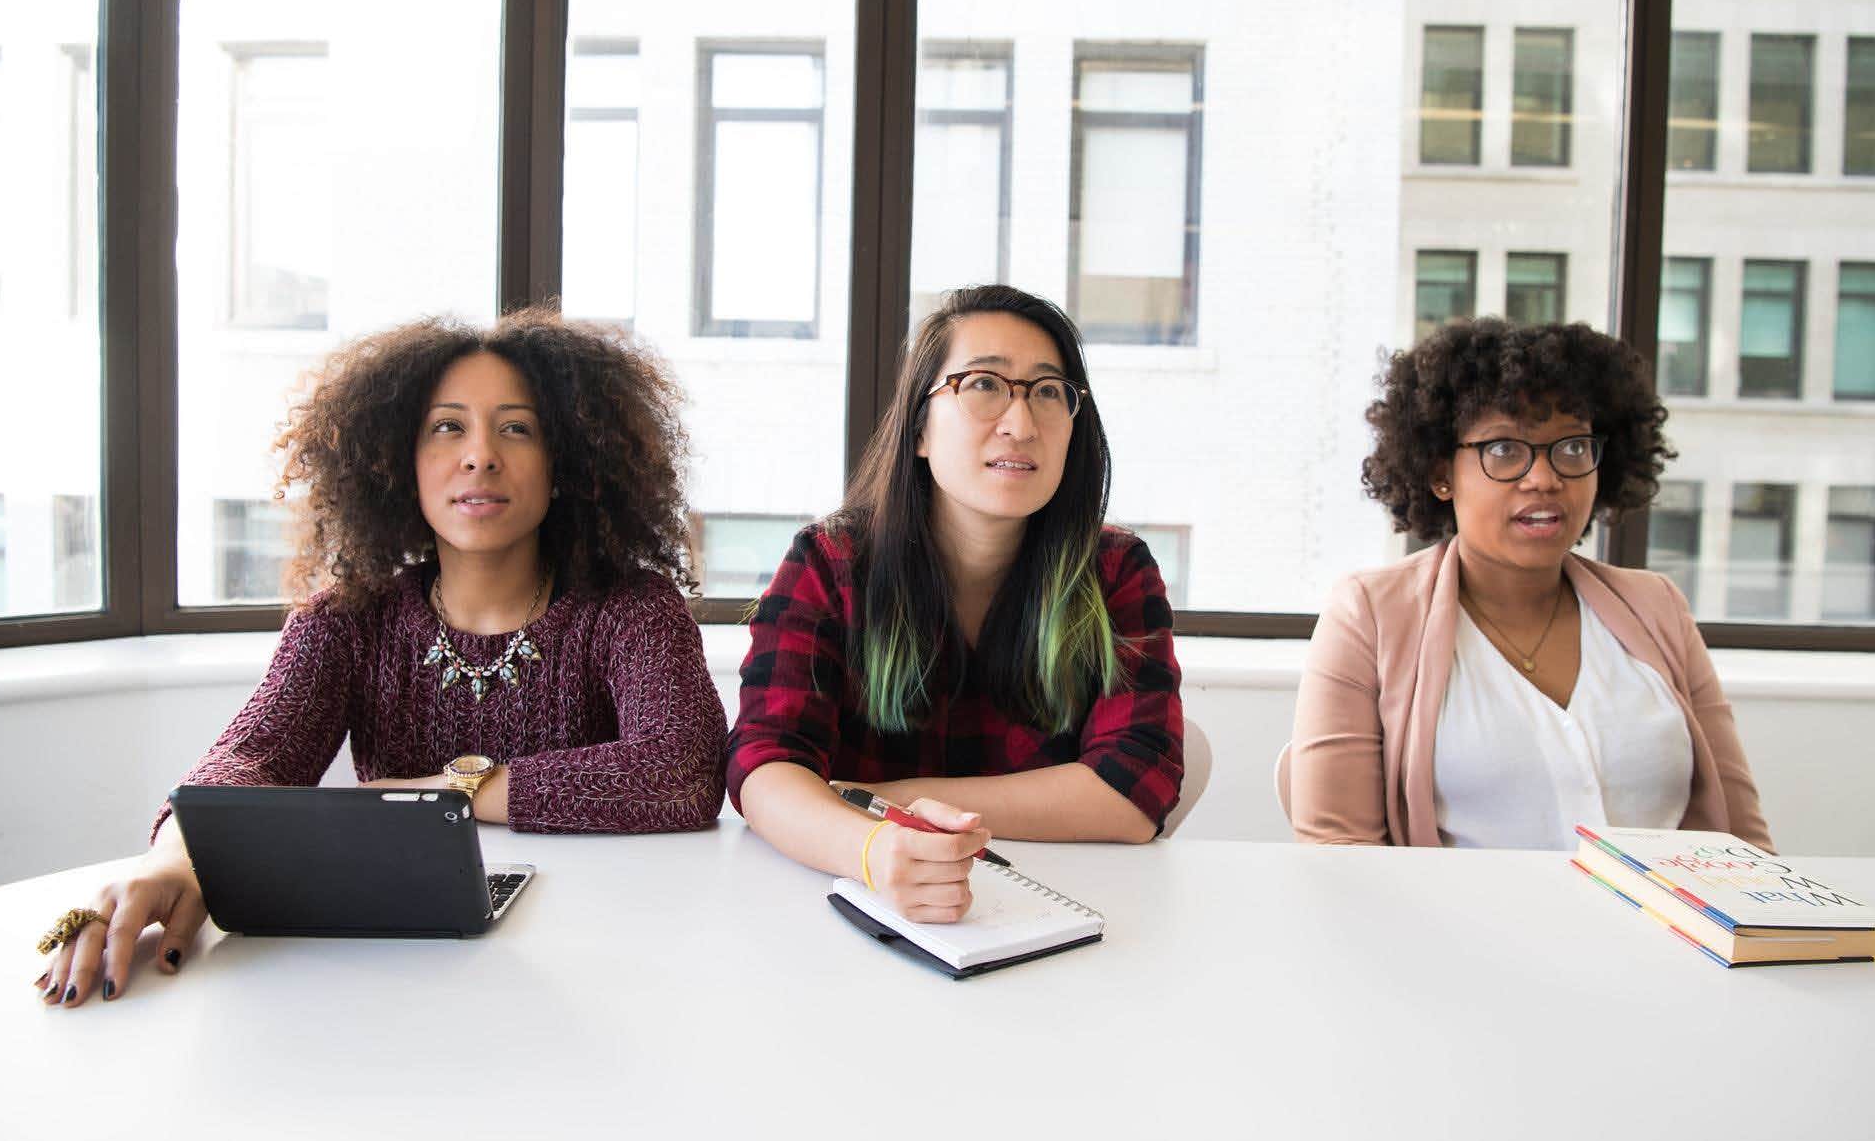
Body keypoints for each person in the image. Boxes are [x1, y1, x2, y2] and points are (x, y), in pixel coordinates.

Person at [36, 309, 727, 1008]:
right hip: (395, 972)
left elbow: (685, 766)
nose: (480, 454)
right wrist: (174, 862)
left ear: (568, 464)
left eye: (517, 428)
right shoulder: (346, 621)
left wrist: (443, 795)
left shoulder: (633, 608)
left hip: (598, 966)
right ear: (400, 461)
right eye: (447, 427)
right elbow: (253, 758)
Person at [728, 285, 1183, 924]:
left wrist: (891, 801)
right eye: (983, 385)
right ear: (919, 426)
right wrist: (875, 850)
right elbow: (765, 768)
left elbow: (1135, 792)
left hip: (1057, 919)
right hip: (848, 913)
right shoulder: (829, 564)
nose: (1021, 424)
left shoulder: (1113, 571)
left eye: (1049, 392)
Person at [1286, 318, 1771, 851]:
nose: (1545, 478)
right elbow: (1340, 855)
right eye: (1503, 450)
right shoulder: (1369, 614)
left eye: (1571, 447)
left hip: (1657, 933)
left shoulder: (1657, 607)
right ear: (1440, 472)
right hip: (1453, 933)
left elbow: (1744, 844)